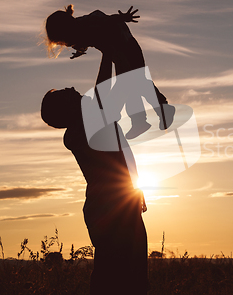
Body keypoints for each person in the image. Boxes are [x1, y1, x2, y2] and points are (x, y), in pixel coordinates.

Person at [41, 54, 148, 295]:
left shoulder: (86, 125)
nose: (71, 88)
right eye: (65, 94)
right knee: (117, 277)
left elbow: (120, 158)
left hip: (116, 204)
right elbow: (101, 93)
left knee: (123, 276)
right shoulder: (81, 130)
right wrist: (108, 52)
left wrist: (136, 186)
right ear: (65, 109)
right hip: (110, 208)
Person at [44, 5, 175, 139]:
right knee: (131, 85)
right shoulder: (79, 31)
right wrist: (80, 51)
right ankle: (140, 120)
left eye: (65, 41)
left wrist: (123, 17)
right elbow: (86, 40)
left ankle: (160, 110)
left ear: (68, 29)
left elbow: (108, 21)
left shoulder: (88, 25)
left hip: (127, 46)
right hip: (118, 53)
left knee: (138, 82)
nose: (67, 44)